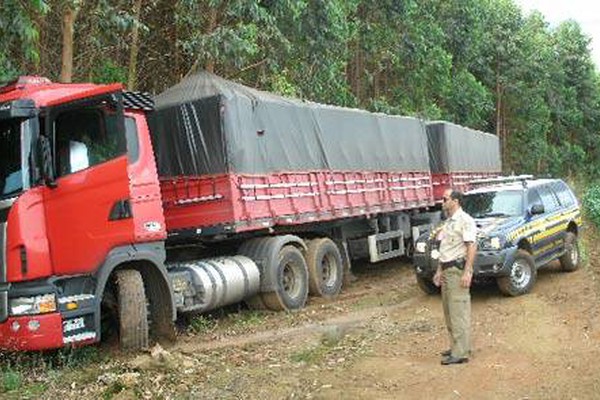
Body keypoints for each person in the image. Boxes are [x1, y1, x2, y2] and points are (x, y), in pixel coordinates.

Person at [433, 188, 477, 365]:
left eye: (445, 199)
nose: (442, 202)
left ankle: (461, 352)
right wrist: (438, 270)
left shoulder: (465, 220)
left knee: (459, 311)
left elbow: (471, 246)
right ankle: (456, 346)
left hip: (457, 271)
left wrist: (467, 271)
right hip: (446, 270)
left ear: (456, 201)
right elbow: (445, 249)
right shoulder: (449, 222)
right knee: (449, 312)